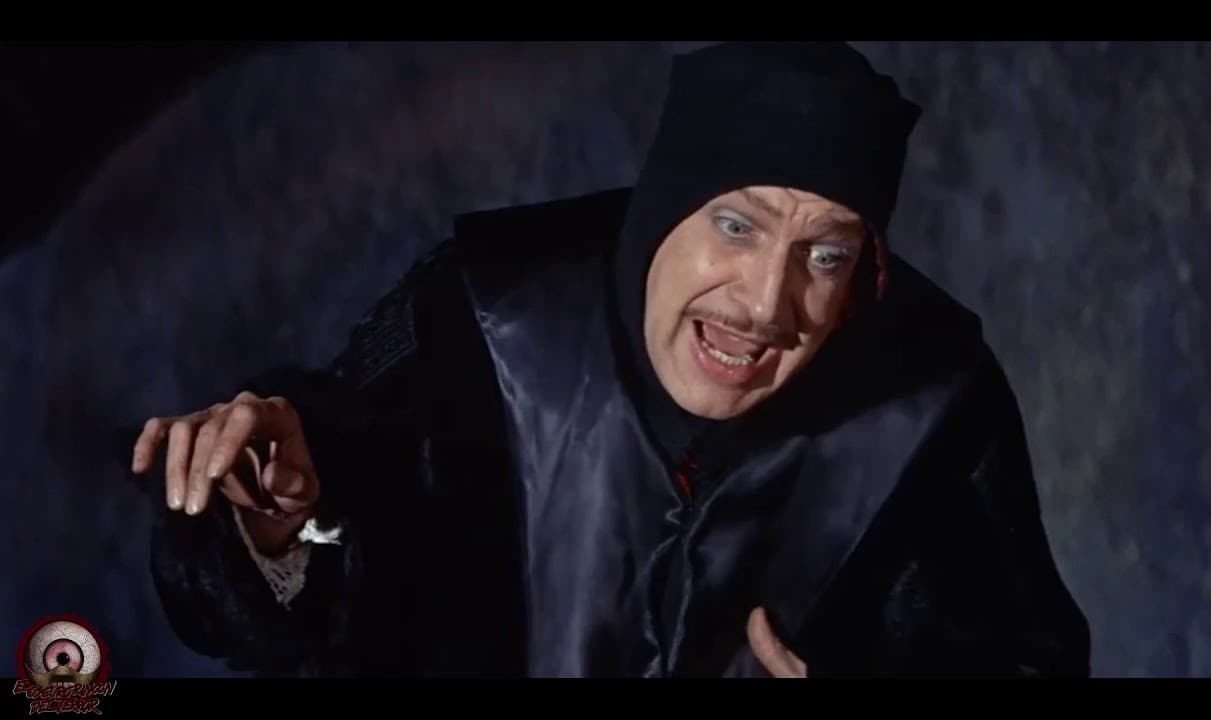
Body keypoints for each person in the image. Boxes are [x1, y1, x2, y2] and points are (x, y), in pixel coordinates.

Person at [131, 41, 1091, 678]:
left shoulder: (934, 412)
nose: (767, 303)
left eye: (827, 256)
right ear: (666, 203)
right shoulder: (477, 322)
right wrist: (274, 528)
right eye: (736, 225)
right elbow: (279, 616)